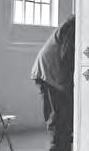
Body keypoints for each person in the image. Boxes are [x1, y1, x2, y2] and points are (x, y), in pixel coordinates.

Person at [30, 15, 75, 151]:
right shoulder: (75, 24)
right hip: (50, 73)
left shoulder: (76, 22)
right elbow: (66, 56)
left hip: (52, 72)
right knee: (59, 120)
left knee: (63, 119)